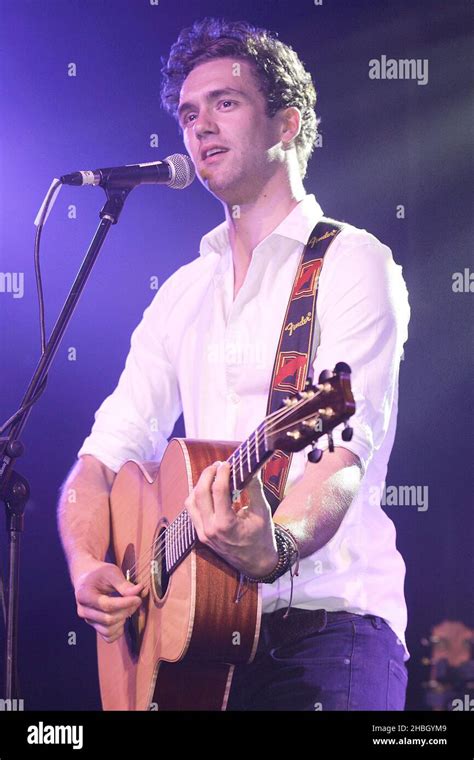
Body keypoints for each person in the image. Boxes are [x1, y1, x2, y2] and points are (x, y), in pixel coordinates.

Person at [58, 18, 410, 711]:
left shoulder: (350, 262)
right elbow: (100, 461)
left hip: (326, 631)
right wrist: (87, 564)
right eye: (189, 113)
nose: (199, 127)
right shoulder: (184, 292)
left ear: (287, 123)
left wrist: (276, 544)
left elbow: (342, 457)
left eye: (225, 102)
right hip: (200, 648)